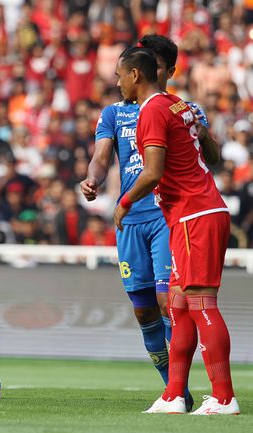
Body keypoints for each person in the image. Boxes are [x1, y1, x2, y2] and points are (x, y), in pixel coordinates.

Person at [80, 35, 218, 411]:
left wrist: (203, 133)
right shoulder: (114, 113)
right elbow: (102, 156)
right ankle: (173, 390)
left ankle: (181, 388)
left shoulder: (181, 109)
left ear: (165, 71)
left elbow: (211, 158)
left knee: (167, 299)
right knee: (143, 308)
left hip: (164, 215)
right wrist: (93, 177)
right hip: (131, 223)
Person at [113, 46, 239, 415]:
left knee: (200, 303)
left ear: (135, 75)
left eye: (120, 75)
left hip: (192, 215)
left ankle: (224, 397)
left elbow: (151, 172)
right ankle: (173, 395)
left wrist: (124, 203)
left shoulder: (152, 109)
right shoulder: (178, 105)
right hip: (198, 211)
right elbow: (211, 155)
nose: (118, 82)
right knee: (180, 307)